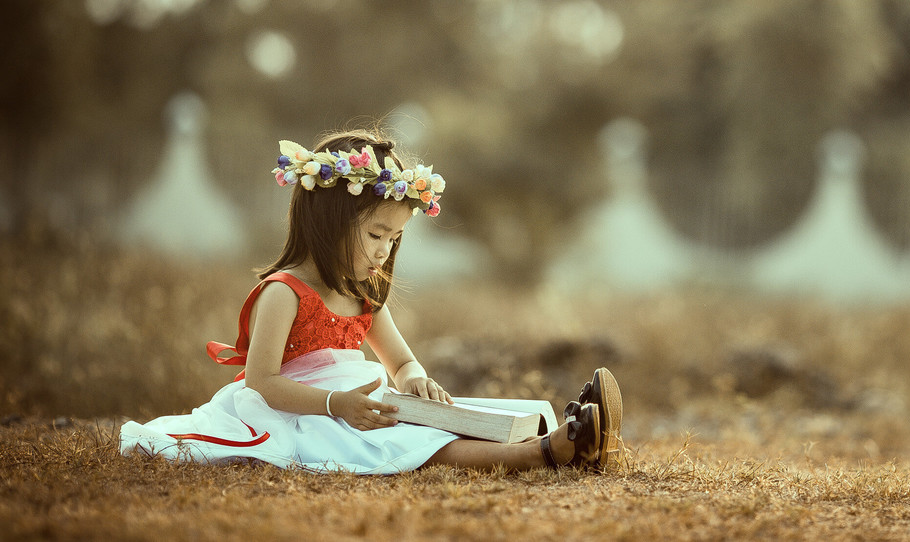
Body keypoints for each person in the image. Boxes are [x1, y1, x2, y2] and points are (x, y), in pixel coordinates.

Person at [119, 129, 623, 474]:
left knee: (449, 416)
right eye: (376, 233)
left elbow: (399, 359)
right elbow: (261, 381)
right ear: (330, 221)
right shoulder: (284, 292)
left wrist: (414, 378)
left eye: (394, 238)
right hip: (304, 414)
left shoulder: (364, 296)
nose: (385, 249)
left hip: (365, 405)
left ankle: (569, 428)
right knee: (411, 444)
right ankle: (549, 453)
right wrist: (336, 404)